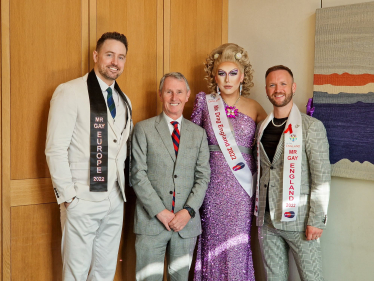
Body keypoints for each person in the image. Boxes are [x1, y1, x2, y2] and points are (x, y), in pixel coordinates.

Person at [45, 32, 132, 280]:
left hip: (115, 200)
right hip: (82, 198)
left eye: (121, 57)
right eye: (109, 55)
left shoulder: (124, 101)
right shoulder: (70, 92)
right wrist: (69, 198)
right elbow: (55, 148)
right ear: (96, 56)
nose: (115, 61)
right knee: (76, 272)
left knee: (105, 272)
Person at [191, 43, 267, 281]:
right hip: (211, 186)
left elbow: (271, 143)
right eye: (221, 73)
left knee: (238, 244)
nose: (227, 79)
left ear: (242, 76)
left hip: (242, 189)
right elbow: (190, 143)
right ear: (214, 76)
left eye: (233, 73)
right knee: (212, 242)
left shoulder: (254, 107)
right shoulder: (205, 103)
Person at [131, 72, 210, 281]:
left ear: (187, 95)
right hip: (151, 223)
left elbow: (203, 177)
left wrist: (188, 212)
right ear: (160, 94)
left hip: (186, 225)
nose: (174, 97)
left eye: (179, 92)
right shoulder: (143, 129)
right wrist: (161, 212)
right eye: (168, 91)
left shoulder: (199, 134)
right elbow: (137, 175)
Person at [254, 65, 331, 280]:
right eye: (272, 84)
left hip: (300, 222)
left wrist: (317, 220)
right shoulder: (261, 127)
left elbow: (321, 176)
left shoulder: (311, 127)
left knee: (312, 277)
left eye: (283, 84)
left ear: (293, 87)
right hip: (268, 222)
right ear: (267, 89)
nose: (278, 89)